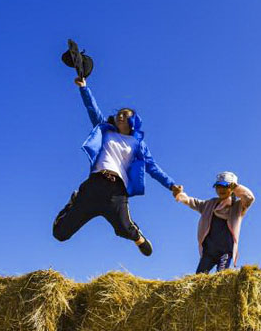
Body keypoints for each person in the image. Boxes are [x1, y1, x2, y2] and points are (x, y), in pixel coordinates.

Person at [53, 75, 183, 255]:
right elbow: (92, 108)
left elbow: (152, 167)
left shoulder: (138, 145)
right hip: (94, 184)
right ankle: (73, 202)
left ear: (133, 121)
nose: (120, 115)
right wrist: (84, 88)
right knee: (60, 234)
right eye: (118, 113)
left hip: (116, 190)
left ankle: (139, 239)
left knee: (124, 227)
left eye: (125, 114)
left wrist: (171, 185)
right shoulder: (105, 130)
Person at [175, 171, 255, 274]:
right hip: (209, 251)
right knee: (199, 277)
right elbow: (193, 202)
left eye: (225, 186)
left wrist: (237, 188)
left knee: (220, 276)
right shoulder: (210, 204)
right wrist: (180, 195)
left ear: (232, 188)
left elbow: (250, 198)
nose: (221, 189)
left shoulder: (238, 206)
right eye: (218, 186)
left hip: (225, 252)